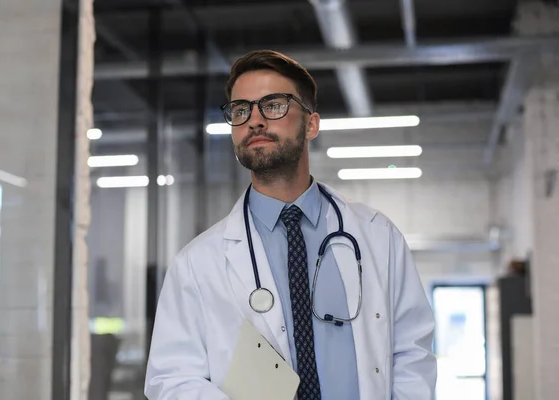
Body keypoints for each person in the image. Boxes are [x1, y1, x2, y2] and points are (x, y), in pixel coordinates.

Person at [144, 49, 437, 400]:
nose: (254, 120)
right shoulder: (197, 263)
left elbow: (412, 353)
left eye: (273, 104)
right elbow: (172, 379)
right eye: (241, 110)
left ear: (311, 124)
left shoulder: (377, 236)